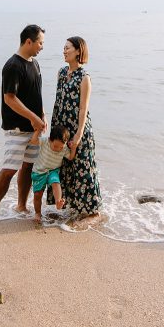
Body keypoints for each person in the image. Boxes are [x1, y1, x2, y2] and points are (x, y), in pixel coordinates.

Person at [0, 24, 47, 227]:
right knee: (9, 169)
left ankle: (21, 206)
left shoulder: (34, 63)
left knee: (28, 167)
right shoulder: (12, 65)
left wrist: (42, 114)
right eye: (40, 43)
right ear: (29, 41)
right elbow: (9, 98)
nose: (42, 47)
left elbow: (36, 92)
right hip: (16, 128)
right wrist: (33, 117)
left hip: (34, 128)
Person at [51, 36, 103, 228]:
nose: (64, 51)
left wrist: (79, 134)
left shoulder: (84, 77)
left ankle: (93, 211)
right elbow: (58, 102)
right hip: (62, 128)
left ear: (78, 51)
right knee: (65, 167)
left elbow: (83, 109)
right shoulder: (62, 72)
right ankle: (72, 206)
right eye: (63, 48)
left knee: (84, 167)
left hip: (78, 128)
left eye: (68, 48)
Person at [29, 125, 69, 224]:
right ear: (50, 140)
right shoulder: (44, 141)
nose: (57, 149)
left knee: (55, 182)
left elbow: (71, 157)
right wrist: (38, 130)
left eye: (61, 147)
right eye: (55, 146)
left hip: (53, 170)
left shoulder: (64, 149)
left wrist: (74, 147)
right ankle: (38, 213)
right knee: (37, 194)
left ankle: (58, 202)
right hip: (39, 171)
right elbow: (33, 141)